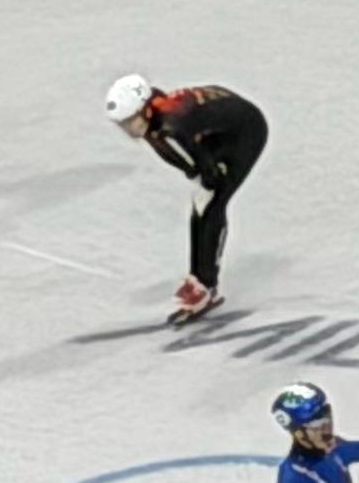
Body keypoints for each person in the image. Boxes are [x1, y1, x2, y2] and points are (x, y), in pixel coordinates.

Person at [104, 75, 267, 325]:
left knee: (213, 203)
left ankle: (206, 287)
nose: (128, 130)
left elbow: (205, 174)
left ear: (145, 110)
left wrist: (210, 177)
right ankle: (199, 278)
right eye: (122, 125)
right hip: (221, 119)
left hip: (246, 131)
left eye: (130, 121)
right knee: (201, 202)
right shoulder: (156, 113)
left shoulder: (170, 129)